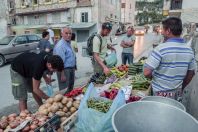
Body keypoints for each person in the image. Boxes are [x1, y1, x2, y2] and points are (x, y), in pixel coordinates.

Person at [143, 17, 196, 100]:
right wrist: (182, 86)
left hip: (160, 93)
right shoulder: (189, 50)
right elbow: (191, 73)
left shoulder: (160, 49)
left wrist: (154, 77)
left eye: (163, 30)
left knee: (159, 112)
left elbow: (146, 72)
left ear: (168, 31)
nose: (162, 33)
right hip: (177, 93)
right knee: (173, 112)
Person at [53, 27, 76, 93]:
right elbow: (59, 62)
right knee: (64, 90)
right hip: (64, 70)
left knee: (70, 89)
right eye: (66, 33)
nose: (68, 35)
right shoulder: (60, 45)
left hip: (70, 69)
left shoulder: (68, 43)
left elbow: (71, 57)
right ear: (62, 34)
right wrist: (62, 74)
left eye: (70, 33)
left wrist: (73, 69)